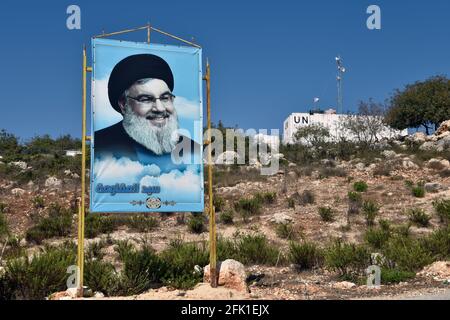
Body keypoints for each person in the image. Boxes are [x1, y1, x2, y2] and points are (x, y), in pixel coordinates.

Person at [94, 54, 199, 169]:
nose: (160, 108)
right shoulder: (99, 145)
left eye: (165, 98)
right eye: (146, 99)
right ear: (124, 104)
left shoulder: (191, 149)